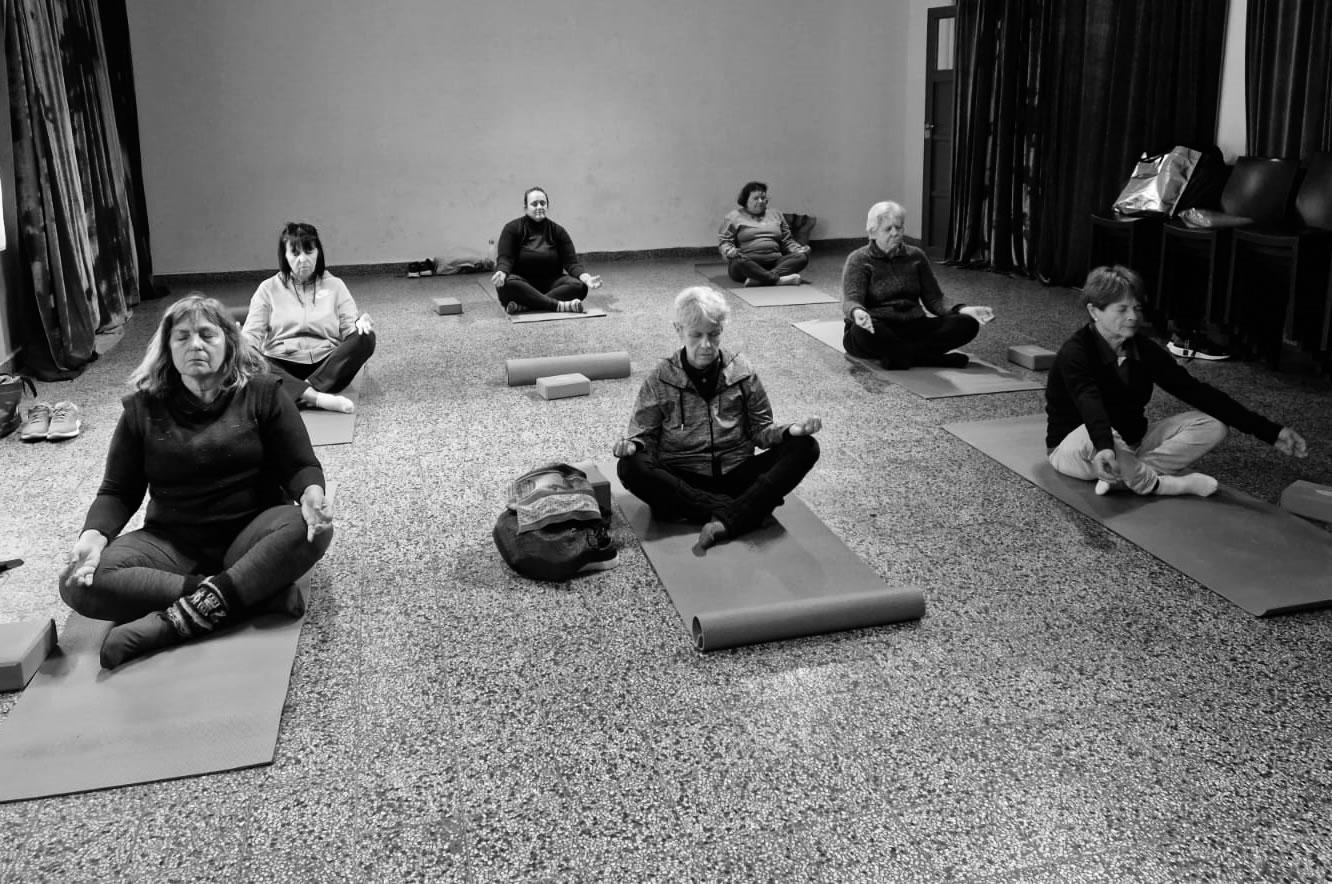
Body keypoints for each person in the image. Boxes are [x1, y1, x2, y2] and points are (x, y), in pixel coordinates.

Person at [60, 294, 335, 669]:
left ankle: (172, 625)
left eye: (207, 335)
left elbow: (300, 465)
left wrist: (311, 494)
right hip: (172, 544)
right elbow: (118, 492)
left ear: (228, 341)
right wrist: (92, 537)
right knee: (78, 583)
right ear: (167, 348)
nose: (195, 345)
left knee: (310, 529)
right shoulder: (142, 408)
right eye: (183, 337)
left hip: (251, 535)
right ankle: (250, 593)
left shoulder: (263, 393)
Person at [1046, 265, 1308, 497]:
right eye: (1122, 309)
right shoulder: (1076, 352)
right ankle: (1159, 485)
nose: (1133, 317)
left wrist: (1271, 432)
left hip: (1132, 446)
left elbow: (1196, 392)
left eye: (1137, 308)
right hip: (1080, 449)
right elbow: (1088, 401)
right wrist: (1105, 446)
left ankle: (1128, 477)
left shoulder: (1144, 349)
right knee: (1094, 434)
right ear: (1094, 311)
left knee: (1213, 425)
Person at [613, 286, 821, 550]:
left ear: (722, 330)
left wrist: (792, 430)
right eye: (696, 335)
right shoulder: (660, 377)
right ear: (679, 330)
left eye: (713, 335)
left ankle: (719, 515)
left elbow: (762, 431)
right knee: (630, 466)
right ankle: (739, 512)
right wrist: (633, 446)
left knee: (806, 447)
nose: (706, 345)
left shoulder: (742, 371)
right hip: (683, 480)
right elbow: (643, 436)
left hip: (735, 475)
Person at [842, 200, 995, 369]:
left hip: (912, 325)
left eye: (899, 227)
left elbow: (935, 300)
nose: (895, 233)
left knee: (967, 324)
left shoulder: (916, 256)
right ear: (873, 233)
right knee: (863, 332)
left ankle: (901, 357)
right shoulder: (859, 259)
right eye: (888, 229)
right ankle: (932, 359)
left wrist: (965, 309)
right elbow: (851, 300)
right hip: (877, 326)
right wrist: (857, 313)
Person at [243, 221, 375, 413]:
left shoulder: (335, 285)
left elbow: (350, 330)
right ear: (285, 256)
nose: (303, 259)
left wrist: (360, 324)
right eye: (295, 253)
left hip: (326, 366)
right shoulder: (267, 289)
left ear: (318, 252)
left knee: (366, 336)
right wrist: (241, 346)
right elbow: (252, 335)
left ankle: (297, 392)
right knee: (244, 354)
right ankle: (314, 397)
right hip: (282, 365)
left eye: (309, 251)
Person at [490, 187, 602, 314]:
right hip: (521, 283)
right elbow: (506, 258)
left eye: (543, 203)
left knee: (580, 286)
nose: (539, 207)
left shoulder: (558, 231)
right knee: (507, 284)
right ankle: (558, 306)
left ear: (547, 205)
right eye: (534, 204)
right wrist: (502, 272)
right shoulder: (512, 228)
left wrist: (587, 278)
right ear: (525, 207)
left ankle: (526, 306)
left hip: (552, 284)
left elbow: (571, 263)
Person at [717, 181, 810, 286]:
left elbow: (787, 240)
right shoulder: (733, 216)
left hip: (775, 263)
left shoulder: (776, 214)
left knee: (801, 257)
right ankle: (778, 280)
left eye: (763, 198)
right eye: (756, 198)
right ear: (745, 200)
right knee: (738, 261)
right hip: (748, 264)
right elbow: (724, 242)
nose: (761, 201)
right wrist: (729, 251)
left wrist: (798, 249)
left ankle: (760, 278)